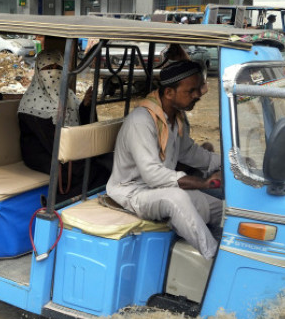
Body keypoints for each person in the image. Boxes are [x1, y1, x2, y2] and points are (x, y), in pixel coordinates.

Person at [106, 61, 223, 259]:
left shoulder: (175, 119)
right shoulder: (141, 121)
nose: (197, 95)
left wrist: (231, 165)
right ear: (169, 93)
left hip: (160, 189)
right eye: (191, 90)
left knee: (223, 210)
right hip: (134, 192)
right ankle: (212, 255)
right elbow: (152, 174)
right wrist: (202, 182)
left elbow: (191, 153)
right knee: (176, 198)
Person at [18, 49, 110, 198]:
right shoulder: (31, 103)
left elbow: (83, 125)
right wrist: (77, 153)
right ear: (38, 71)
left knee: (100, 161)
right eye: (48, 68)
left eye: (58, 68)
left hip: (67, 147)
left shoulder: (69, 96)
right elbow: (50, 140)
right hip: (41, 152)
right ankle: (61, 205)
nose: (53, 73)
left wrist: (86, 107)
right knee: (79, 169)